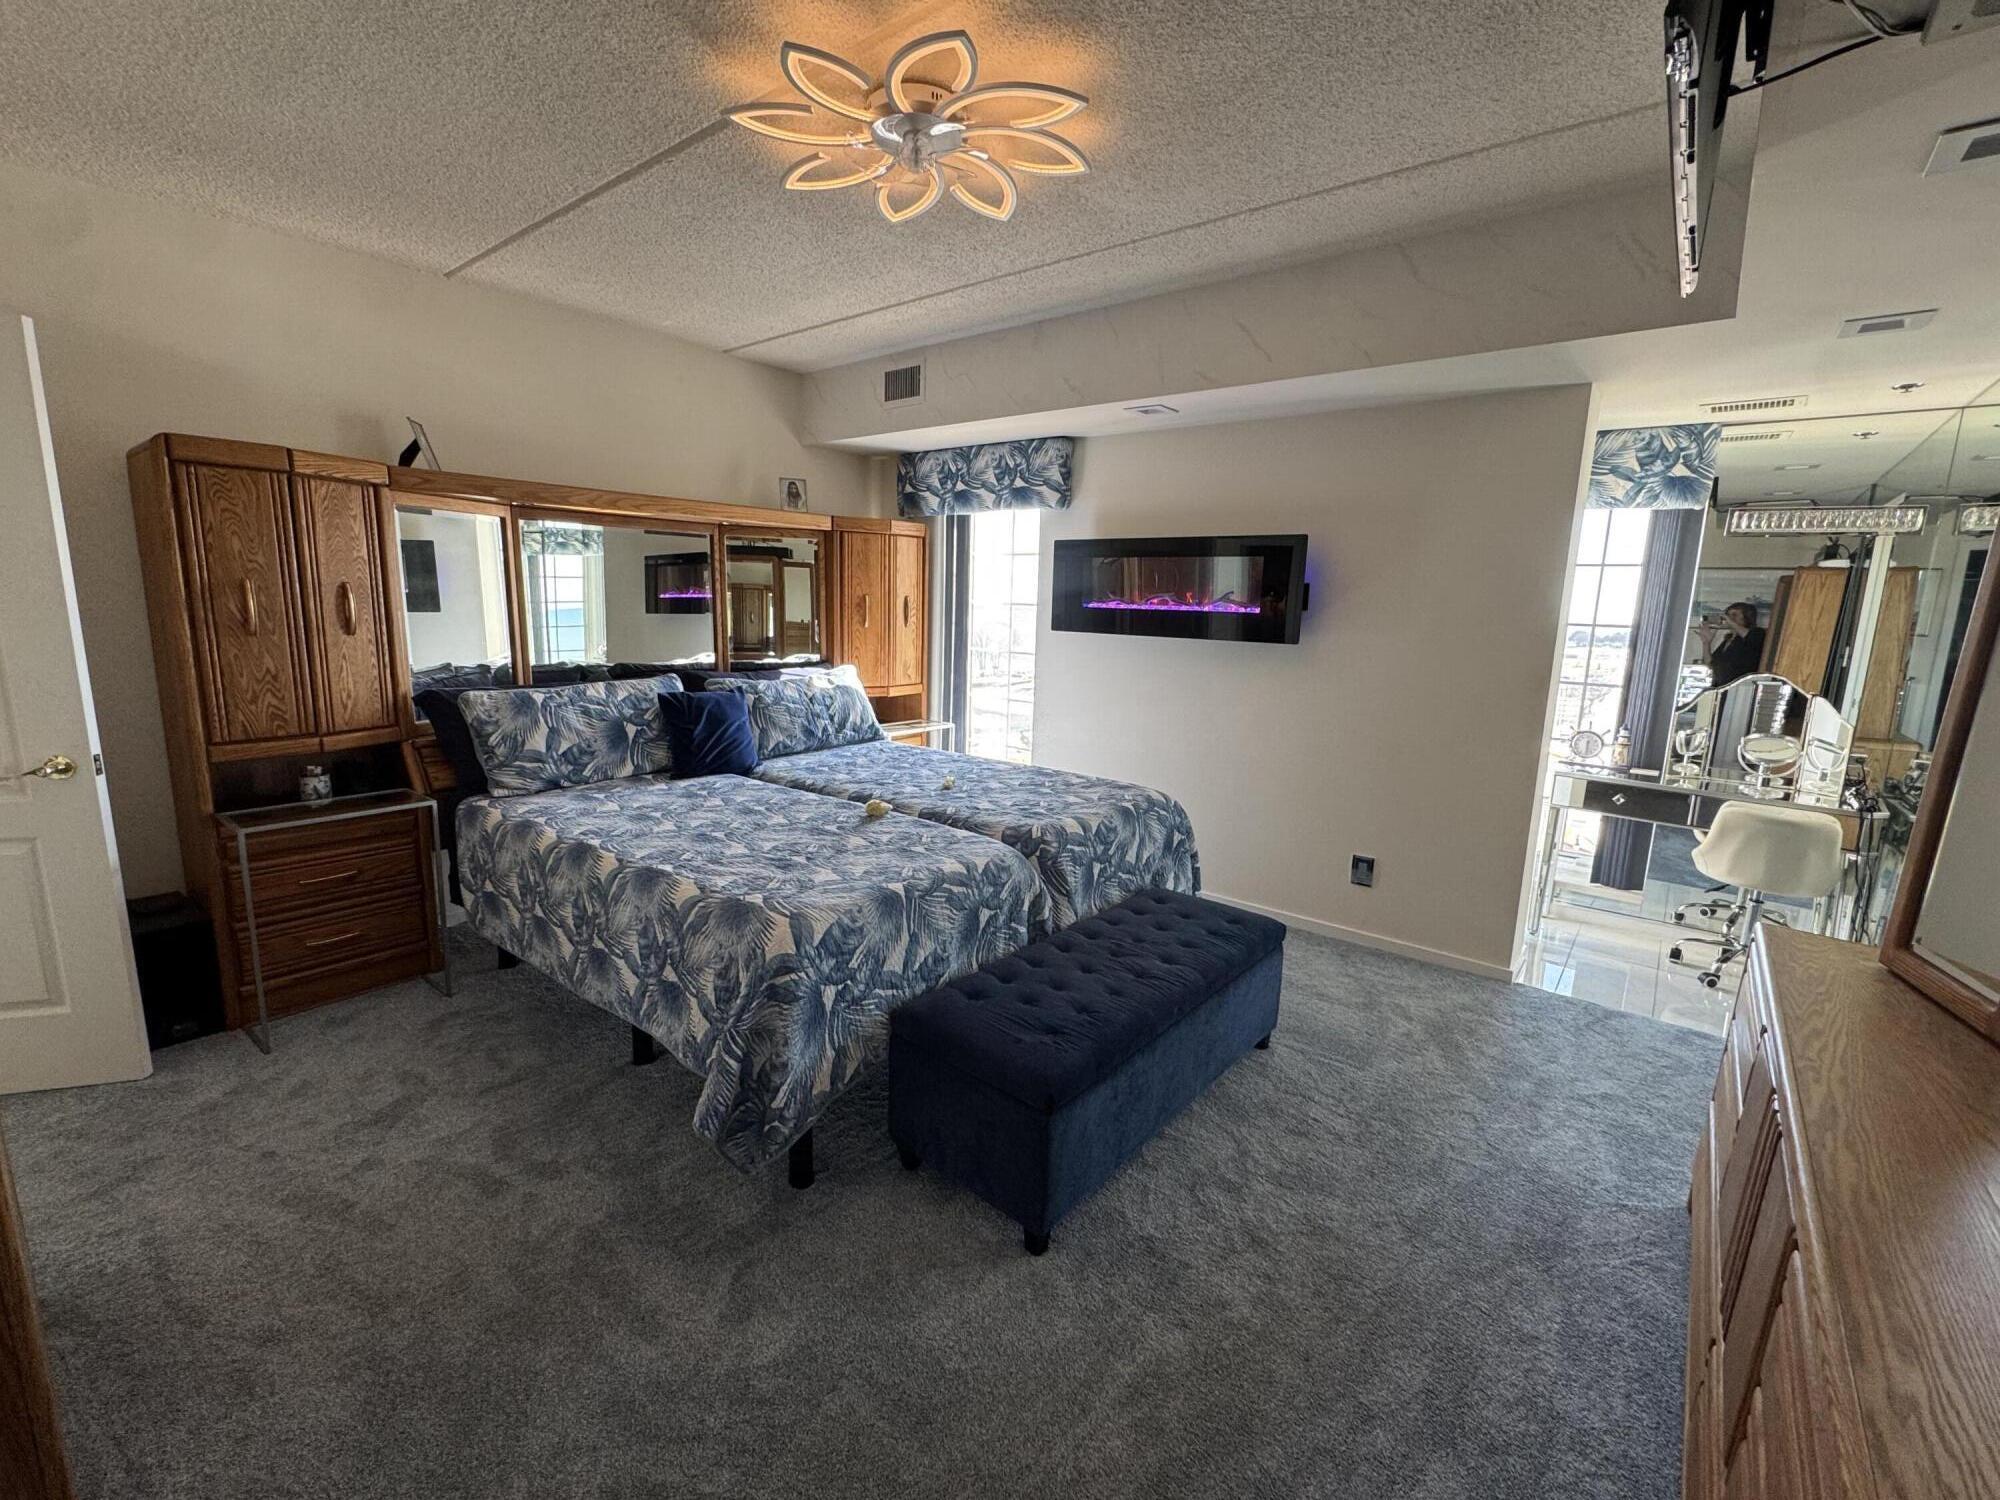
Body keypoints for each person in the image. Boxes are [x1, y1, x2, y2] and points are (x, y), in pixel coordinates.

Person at [1698, 601, 1767, 689]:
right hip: (1721, 687)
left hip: (1742, 688)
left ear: (1746, 617)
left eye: (1734, 615)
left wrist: (1730, 622)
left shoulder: (1757, 633)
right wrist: (1706, 643)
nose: (1729, 618)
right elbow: (1710, 664)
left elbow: (1751, 637)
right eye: (1728, 615)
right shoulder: (1728, 640)